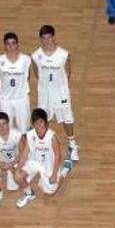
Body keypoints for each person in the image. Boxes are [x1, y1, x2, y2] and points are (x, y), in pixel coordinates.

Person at [31, 25, 79, 162]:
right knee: (44, 119)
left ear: (54, 37)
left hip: (60, 92)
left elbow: (68, 73)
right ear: (40, 39)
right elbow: (37, 74)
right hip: (45, 92)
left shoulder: (64, 54)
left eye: (49, 37)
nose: (47, 41)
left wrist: (59, 85)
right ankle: (44, 146)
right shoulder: (36, 56)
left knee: (67, 118)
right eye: (44, 38)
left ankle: (72, 145)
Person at [15, 108, 65, 208]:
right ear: (33, 123)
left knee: (50, 193)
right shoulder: (30, 135)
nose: (38, 125)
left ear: (46, 122)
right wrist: (18, 168)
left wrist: (54, 174)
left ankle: (63, 173)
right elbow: (25, 154)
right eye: (36, 122)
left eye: (41, 122)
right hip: (34, 162)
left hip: (48, 165)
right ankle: (29, 194)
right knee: (18, 176)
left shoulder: (52, 136)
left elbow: (57, 156)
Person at [0, 32, 32, 132]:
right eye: (8, 43)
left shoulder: (26, 59)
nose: (11, 46)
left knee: (24, 129)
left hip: (21, 99)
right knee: (6, 129)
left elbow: (28, 76)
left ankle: (24, 147)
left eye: (13, 43)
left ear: (17, 44)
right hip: (5, 100)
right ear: (4, 46)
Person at [0, 112, 22, 209]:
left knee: (13, 187)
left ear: (8, 123)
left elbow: (22, 153)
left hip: (14, 161)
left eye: (4, 124)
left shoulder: (17, 134)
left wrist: (11, 165)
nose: (2, 127)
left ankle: (8, 174)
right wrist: (2, 165)